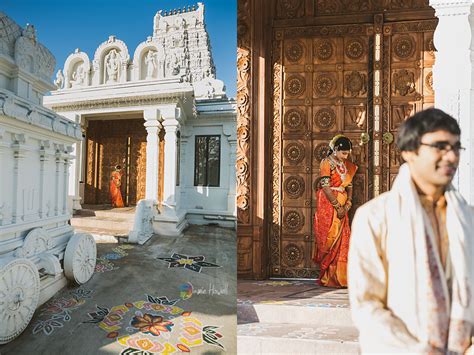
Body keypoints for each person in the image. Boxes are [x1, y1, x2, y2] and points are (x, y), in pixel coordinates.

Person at [348, 108, 473, 353]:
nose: (451, 157)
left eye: (456, 147)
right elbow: (367, 304)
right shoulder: (376, 217)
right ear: (409, 151)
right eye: (439, 146)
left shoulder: (468, 219)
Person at [313, 134, 358, 288]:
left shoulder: (346, 165)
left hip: (343, 205)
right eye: (343, 153)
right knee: (329, 239)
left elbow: (349, 186)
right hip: (328, 205)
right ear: (336, 150)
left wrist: (348, 204)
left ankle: (341, 277)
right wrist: (337, 206)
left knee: (342, 240)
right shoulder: (326, 163)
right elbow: (325, 186)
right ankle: (328, 277)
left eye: (347, 154)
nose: (346, 156)